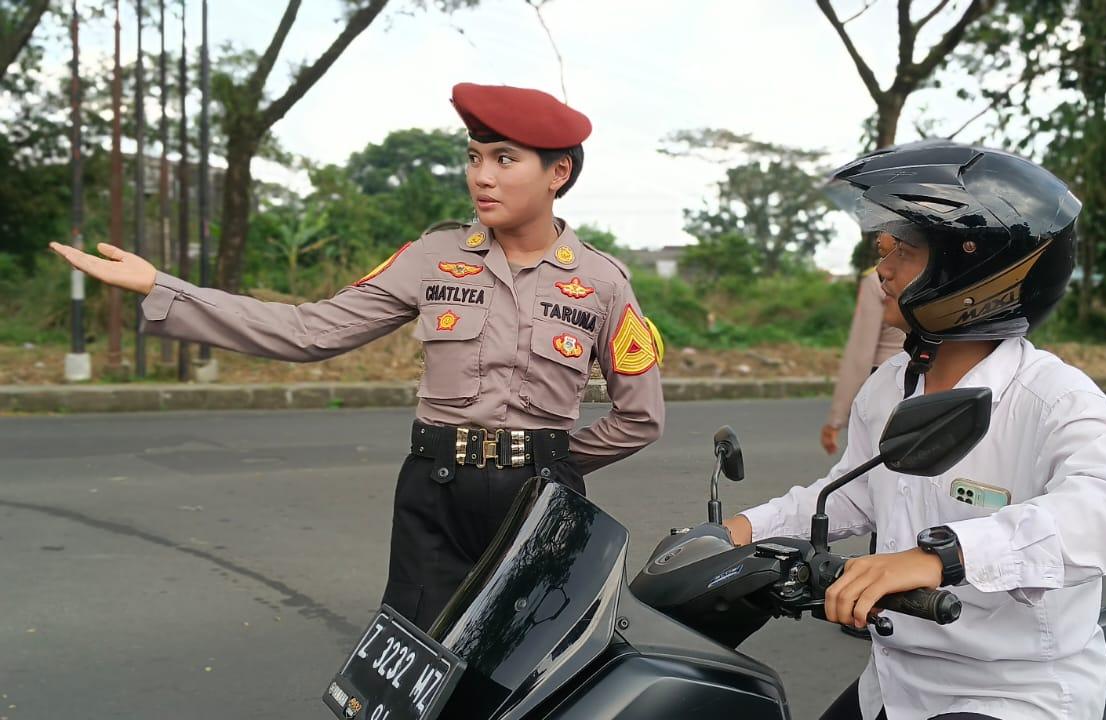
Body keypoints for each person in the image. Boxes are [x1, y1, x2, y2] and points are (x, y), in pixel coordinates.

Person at [49, 82, 666, 629]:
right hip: (437, 494)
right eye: (474, 157)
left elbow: (640, 417)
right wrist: (162, 287)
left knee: (528, 668)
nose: (482, 176)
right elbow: (309, 331)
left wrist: (549, 460)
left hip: (541, 504)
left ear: (557, 173)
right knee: (412, 667)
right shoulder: (433, 257)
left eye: (505, 159)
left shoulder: (602, 282)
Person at [724, 141, 1106, 720]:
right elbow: (853, 491)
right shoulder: (889, 386)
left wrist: (943, 557)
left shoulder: (1052, 397)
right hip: (895, 679)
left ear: (971, 267)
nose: (882, 269)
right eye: (883, 250)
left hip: (1012, 692)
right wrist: (745, 527)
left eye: (902, 252)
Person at [821, 260, 906, 455]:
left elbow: (860, 354)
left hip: (885, 389)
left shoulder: (876, 279)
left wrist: (837, 418)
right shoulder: (942, 270)